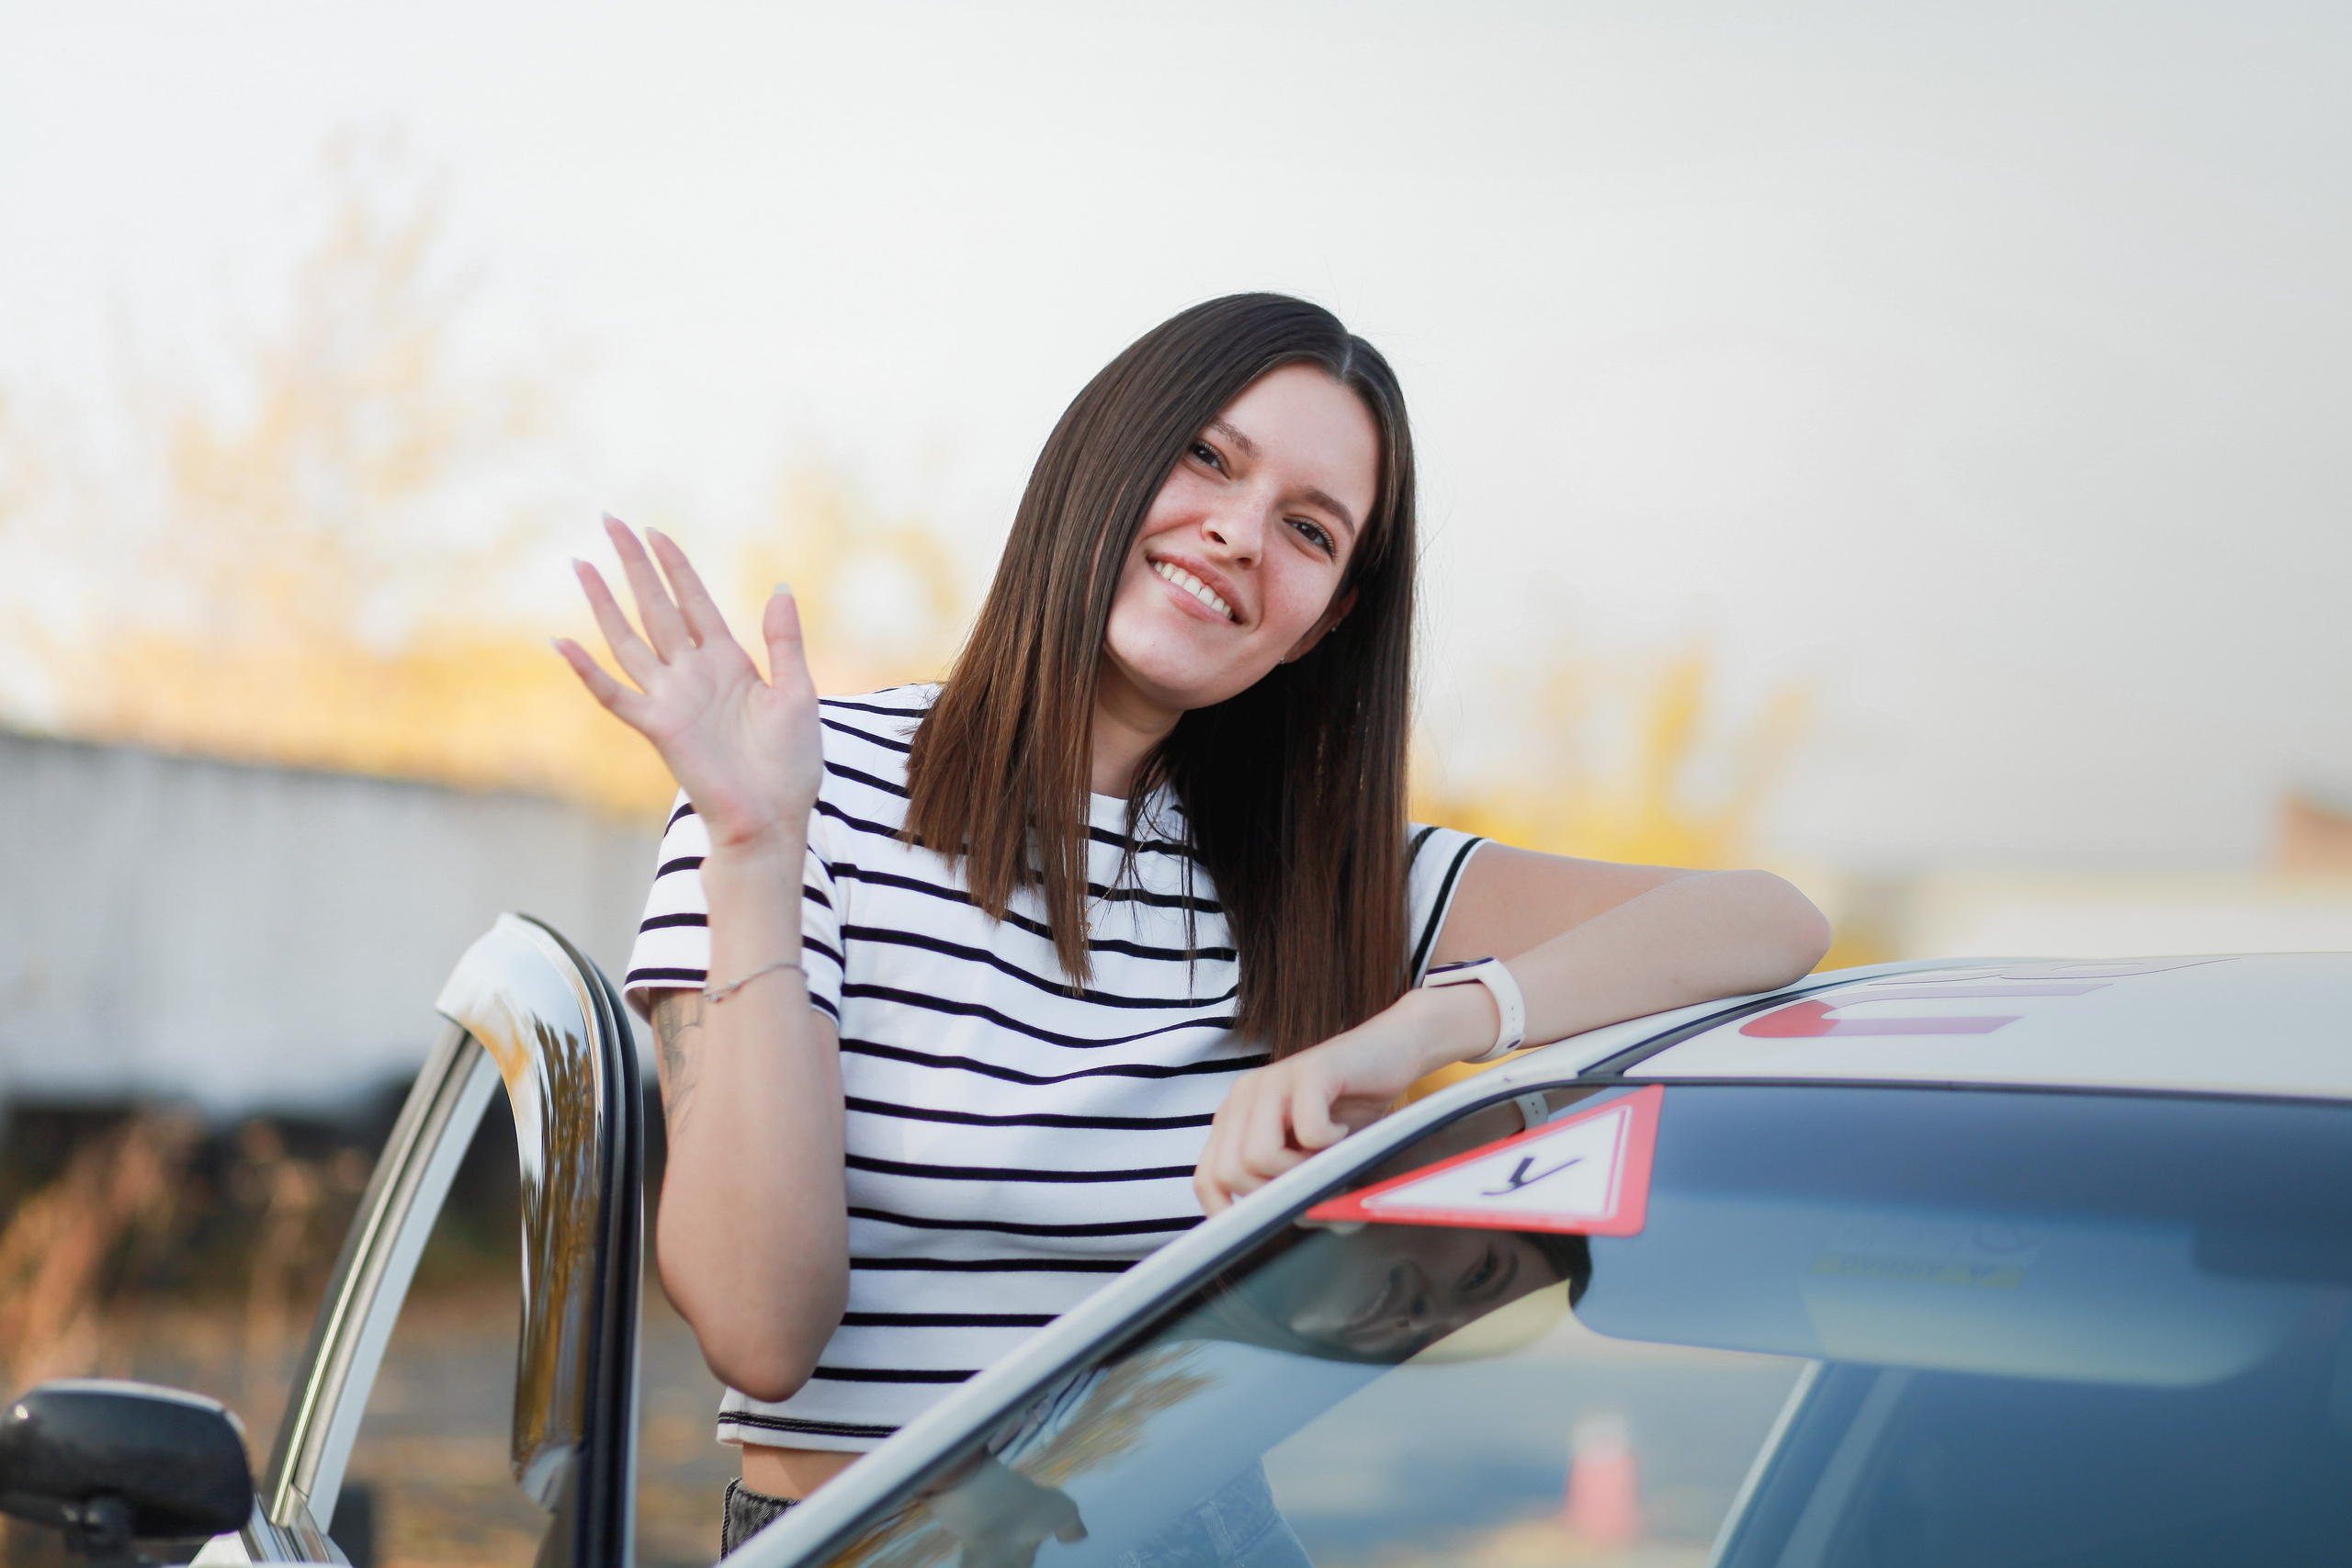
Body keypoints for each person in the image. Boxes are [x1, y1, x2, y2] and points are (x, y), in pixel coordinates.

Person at [555, 293, 1831, 1551]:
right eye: (1208, 458)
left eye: (1310, 530)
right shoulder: (789, 790)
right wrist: (754, 852)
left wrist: (1417, 1031)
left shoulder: (1326, 879)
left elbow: (1768, 921)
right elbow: (761, 1336)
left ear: (1323, 621)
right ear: (1101, 463)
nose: (1236, 535)